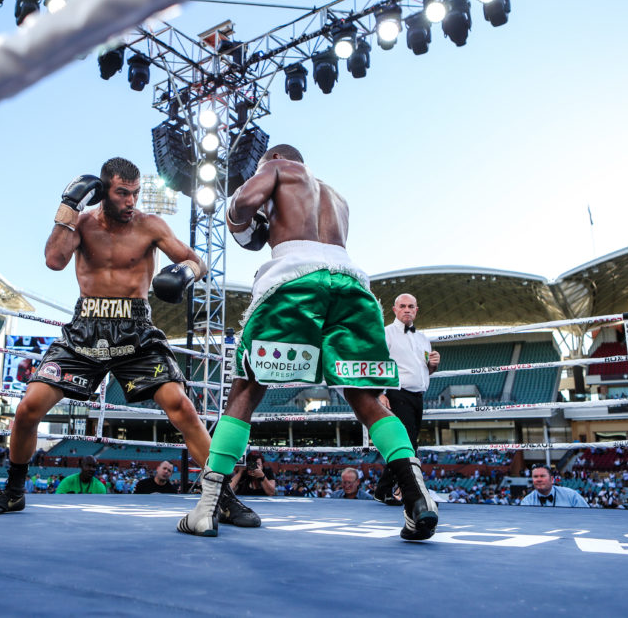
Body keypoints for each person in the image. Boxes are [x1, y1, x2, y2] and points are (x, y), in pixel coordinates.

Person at [178, 144, 438, 541]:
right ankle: (417, 497)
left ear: (274, 162)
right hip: (352, 286)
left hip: (294, 280)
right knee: (365, 399)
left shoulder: (278, 168)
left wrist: (241, 219)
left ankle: (207, 506)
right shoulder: (336, 196)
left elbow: (243, 203)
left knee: (245, 391)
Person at [0, 158, 257, 524]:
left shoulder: (150, 226)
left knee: (182, 407)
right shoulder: (81, 223)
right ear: (103, 192)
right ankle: (13, 493)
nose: (131, 201)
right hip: (85, 328)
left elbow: (196, 261)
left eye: (136, 193)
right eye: (123, 193)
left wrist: (184, 273)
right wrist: (67, 208)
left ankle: (222, 498)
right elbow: (54, 260)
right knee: (29, 408)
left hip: (135, 329)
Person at [374, 293, 440, 506]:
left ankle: (384, 490)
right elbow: (378, 363)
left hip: (418, 396)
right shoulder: (386, 334)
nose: (407, 309)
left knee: (407, 443)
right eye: (402, 306)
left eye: (411, 306)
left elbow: (422, 372)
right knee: (408, 444)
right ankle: (409, 493)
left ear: (416, 310)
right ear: (394, 310)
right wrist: (380, 393)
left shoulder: (422, 338)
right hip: (397, 394)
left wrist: (432, 366)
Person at [519, 465, 589, 507]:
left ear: (552, 479)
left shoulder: (571, 496)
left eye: (542, 476)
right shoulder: (526, 502)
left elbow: (588, 516)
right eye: (535, 477)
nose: (539, 480)